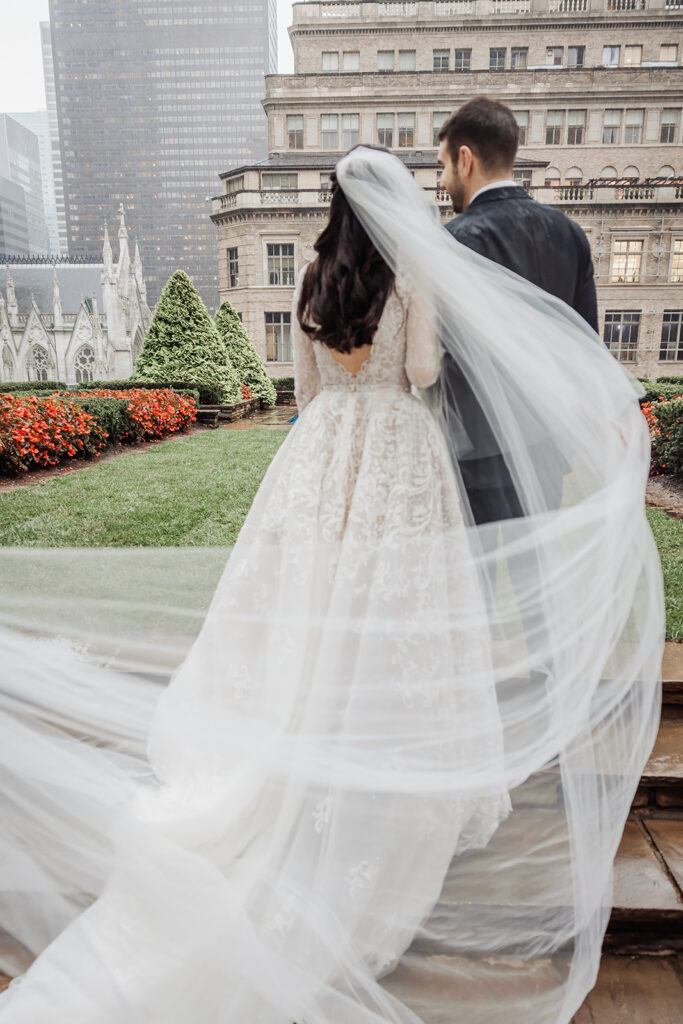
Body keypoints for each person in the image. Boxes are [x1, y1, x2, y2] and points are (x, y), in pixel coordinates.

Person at [0, 146, 662, 1024]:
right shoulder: (410, 284)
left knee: (307, 593)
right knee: (394, 602)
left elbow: (306, 396)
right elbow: (424, 374)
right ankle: (382, 734)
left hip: (320, 454)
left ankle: (292, 718)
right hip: (396, 450)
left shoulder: (312, 285)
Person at [437, 96, 597, 527]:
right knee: (541, 583)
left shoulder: (453, 241)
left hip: (474, 450)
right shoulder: (570, 235)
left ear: (465, 160)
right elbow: (586, 346)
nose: (444, 179)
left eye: (444, 166)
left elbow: (438, 351)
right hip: (548, 444)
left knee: (479, 585)